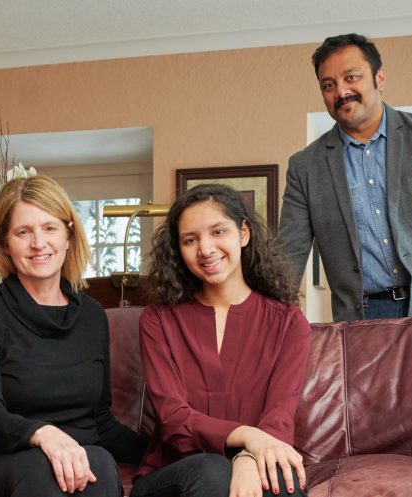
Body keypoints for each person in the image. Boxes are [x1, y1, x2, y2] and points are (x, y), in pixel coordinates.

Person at [0, 174, 146, 497]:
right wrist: (44, 434)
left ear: (68, 236)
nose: (38, 243)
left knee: (100, 464)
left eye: (50, 228)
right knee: (44, 469)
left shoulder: (92, 316)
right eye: (24, 231)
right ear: (5, 243)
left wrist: (169, 451)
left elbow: (100, 421)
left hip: (71, 462)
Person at [277, 33, 412, 322]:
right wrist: (271, 327)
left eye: (351, 77)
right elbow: (286, 262)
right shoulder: (305, 166)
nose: (341, 91)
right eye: (328, 85)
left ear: (379, 78)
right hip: (358, 321)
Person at [131, 184, 311, 497]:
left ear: (243, 233)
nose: (206, 249)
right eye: (190, 239)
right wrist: (247, 438)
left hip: (254, 461)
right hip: (173, 474)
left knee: (284, 482)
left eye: (218, 232)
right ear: (179, 249)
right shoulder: (157, 320)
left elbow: (279, 417)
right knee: (213, 472)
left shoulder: (289, 323)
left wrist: (246, 456)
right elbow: (174, 420)